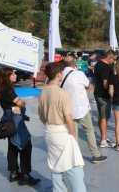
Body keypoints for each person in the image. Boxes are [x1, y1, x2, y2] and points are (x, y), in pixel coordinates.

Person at [38, 62, 86, 192]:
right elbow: (68, 118)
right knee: (73, 166)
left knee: (56, 166)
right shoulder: (62, 93)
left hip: (49, 131)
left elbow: (41, 116)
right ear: (59, 75)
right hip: (62, 131)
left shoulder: (43, 92)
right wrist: (73, 135)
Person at [0, 68, 40, 185]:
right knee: (26, 144)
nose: (15, 75)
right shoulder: (8, 90)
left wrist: (14, 107)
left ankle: (14, 173)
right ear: (7, 76)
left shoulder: (2, 88)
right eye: (13, 74)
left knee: (13, 146)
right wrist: (18, 106)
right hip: (15, 121)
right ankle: (25, 175)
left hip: (8, 120)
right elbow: (21, 103)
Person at [61, 55, 107, 163]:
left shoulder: (60, 75)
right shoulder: (79, 74)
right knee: (89, 131)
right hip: (81, 108)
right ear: (74, 63)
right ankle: (95, 155)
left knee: (73, 134)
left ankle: (75, 157)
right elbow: (89, 86)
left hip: (67, 109)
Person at [94, 49, 117, 148]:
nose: (114, 61)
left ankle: (104, 136)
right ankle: (103, 140)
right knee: (104, 117)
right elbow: (105, 84)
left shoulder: (103, 64)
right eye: (113, 59)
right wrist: (114, 90)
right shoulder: (103, 67)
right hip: (102, 95)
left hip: (102, 94)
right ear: (109, 57)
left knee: (104, 116)